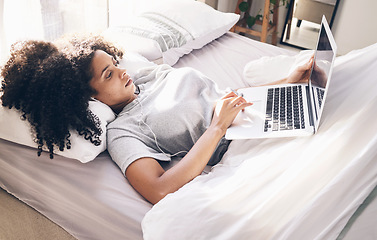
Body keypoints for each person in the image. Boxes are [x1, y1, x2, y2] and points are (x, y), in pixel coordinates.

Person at [0, 35, 313, 204]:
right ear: (89, 99)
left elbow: (225, 98)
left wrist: (286, 83)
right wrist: (217, 127)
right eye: (109, 74)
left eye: (115, 63)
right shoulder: (124, 132)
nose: (123, 71)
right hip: (245, 151)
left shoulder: (147, 76)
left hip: (260, 119)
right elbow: (158, 189)